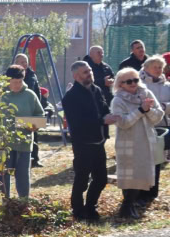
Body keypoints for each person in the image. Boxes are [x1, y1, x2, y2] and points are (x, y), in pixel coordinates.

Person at [0, 66, 45, 199]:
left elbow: (40, 117)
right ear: (8, 80)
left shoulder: (30, 95)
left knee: (23, 175)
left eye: (20, 82)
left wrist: (31, 124)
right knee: (3, 174)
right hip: (2, 142)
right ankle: (6, 201)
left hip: (23, 143)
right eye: (14, 82)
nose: (17, 85)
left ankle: (24, 201)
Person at [62, 61, 114, 223]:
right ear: (76, 76)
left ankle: (90, 207)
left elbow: (104, 109)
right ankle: (78, 210)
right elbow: (78, 123)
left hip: (99, 142)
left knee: (101, 179)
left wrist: (111, 116)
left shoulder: (96, 90)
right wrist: (102, 121)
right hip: (83, 144)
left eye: (90, 70)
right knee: (82, 179)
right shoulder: (70, 97)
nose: (89, 73)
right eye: (85, 72)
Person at [111, 67, 165, 219]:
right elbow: (123, 123)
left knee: (142, 173)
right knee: (129, 176)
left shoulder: (146, 93)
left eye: (135, 80)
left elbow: (158, 116)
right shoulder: (118, 100)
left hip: (146, 140)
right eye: (129, 81)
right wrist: (141, 110)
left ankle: (130, 205)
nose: (134, 83)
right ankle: (126, 207)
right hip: (128, 142)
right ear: (120, 84)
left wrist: (148, 111)